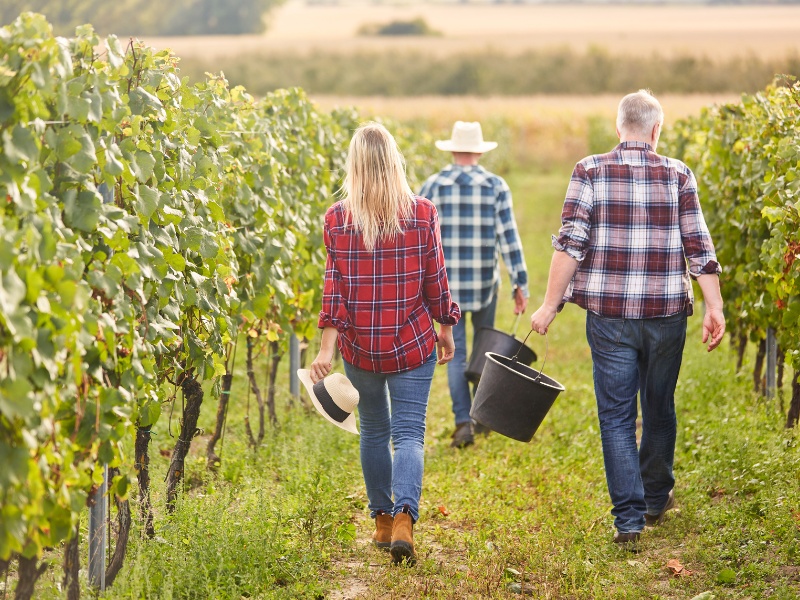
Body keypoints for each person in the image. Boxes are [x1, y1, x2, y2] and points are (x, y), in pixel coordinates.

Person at [530, 90, 726, 547]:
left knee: (617, 417)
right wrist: (714, 306)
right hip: (666, 314)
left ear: (619, 128)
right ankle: (655, 497)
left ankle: (629, 521)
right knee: (659, 405)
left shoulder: (590, 170)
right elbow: (699, 245)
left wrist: (549, 304)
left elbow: (571, 243)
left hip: (610, 316)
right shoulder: (678, 173)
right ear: (656, 131)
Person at [309, 122, 460, 565]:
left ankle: (379, 521)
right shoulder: (422, 212)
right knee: (410, 432)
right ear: (395, 161)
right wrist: (446, 326)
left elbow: (332, 289)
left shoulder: (337, 220)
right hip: (412, 342)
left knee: (374, 430)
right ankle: (403, 521)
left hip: (361, 348)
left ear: (354, 165)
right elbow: (436, 279)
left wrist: (325, 349)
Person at [419, 121, 529, 448]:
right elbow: (509, 239)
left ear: (452, 150)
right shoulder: (495, 186)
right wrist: (518, 284)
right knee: (486, 351)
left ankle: (463, 423)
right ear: (479, 151)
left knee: (455, 353)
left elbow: (419, 240)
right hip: (484, 285)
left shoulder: (433, 186)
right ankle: (482, 418)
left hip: (445, 289)